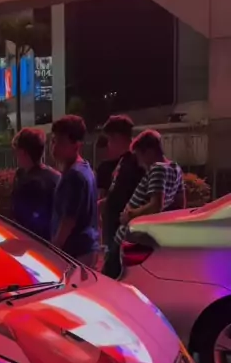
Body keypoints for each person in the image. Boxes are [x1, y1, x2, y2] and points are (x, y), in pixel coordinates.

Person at [115, 128, 185, 249]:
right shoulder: (175, 168)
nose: (139, 163)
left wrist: (130, 215)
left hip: (130, 238)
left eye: (139, 156)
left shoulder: (158, 168)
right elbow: (180, 204)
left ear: (149, 152)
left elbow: (156, 205)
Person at [50, 115, 99, 266]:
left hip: (75, 254)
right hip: (87, 249)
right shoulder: (86, 169)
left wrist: (54, 249)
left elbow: (68, 221)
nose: (54, 147)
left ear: (76, 146)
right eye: (54, 141)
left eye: (61, 142)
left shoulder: (74, 176)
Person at [100, 115, 144, 278]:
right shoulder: (123, 161)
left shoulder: (135, 163)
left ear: (117, 138)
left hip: (122, 236)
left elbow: (130, 197)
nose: (109, 145)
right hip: (113, 234)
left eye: (110, 140)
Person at [11, 127, 60, 240]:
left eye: (17, 151)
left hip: (32, 242)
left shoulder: (28, 184)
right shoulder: (56, 176)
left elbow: (20, 220)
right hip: (54, 243)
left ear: (23, 152)